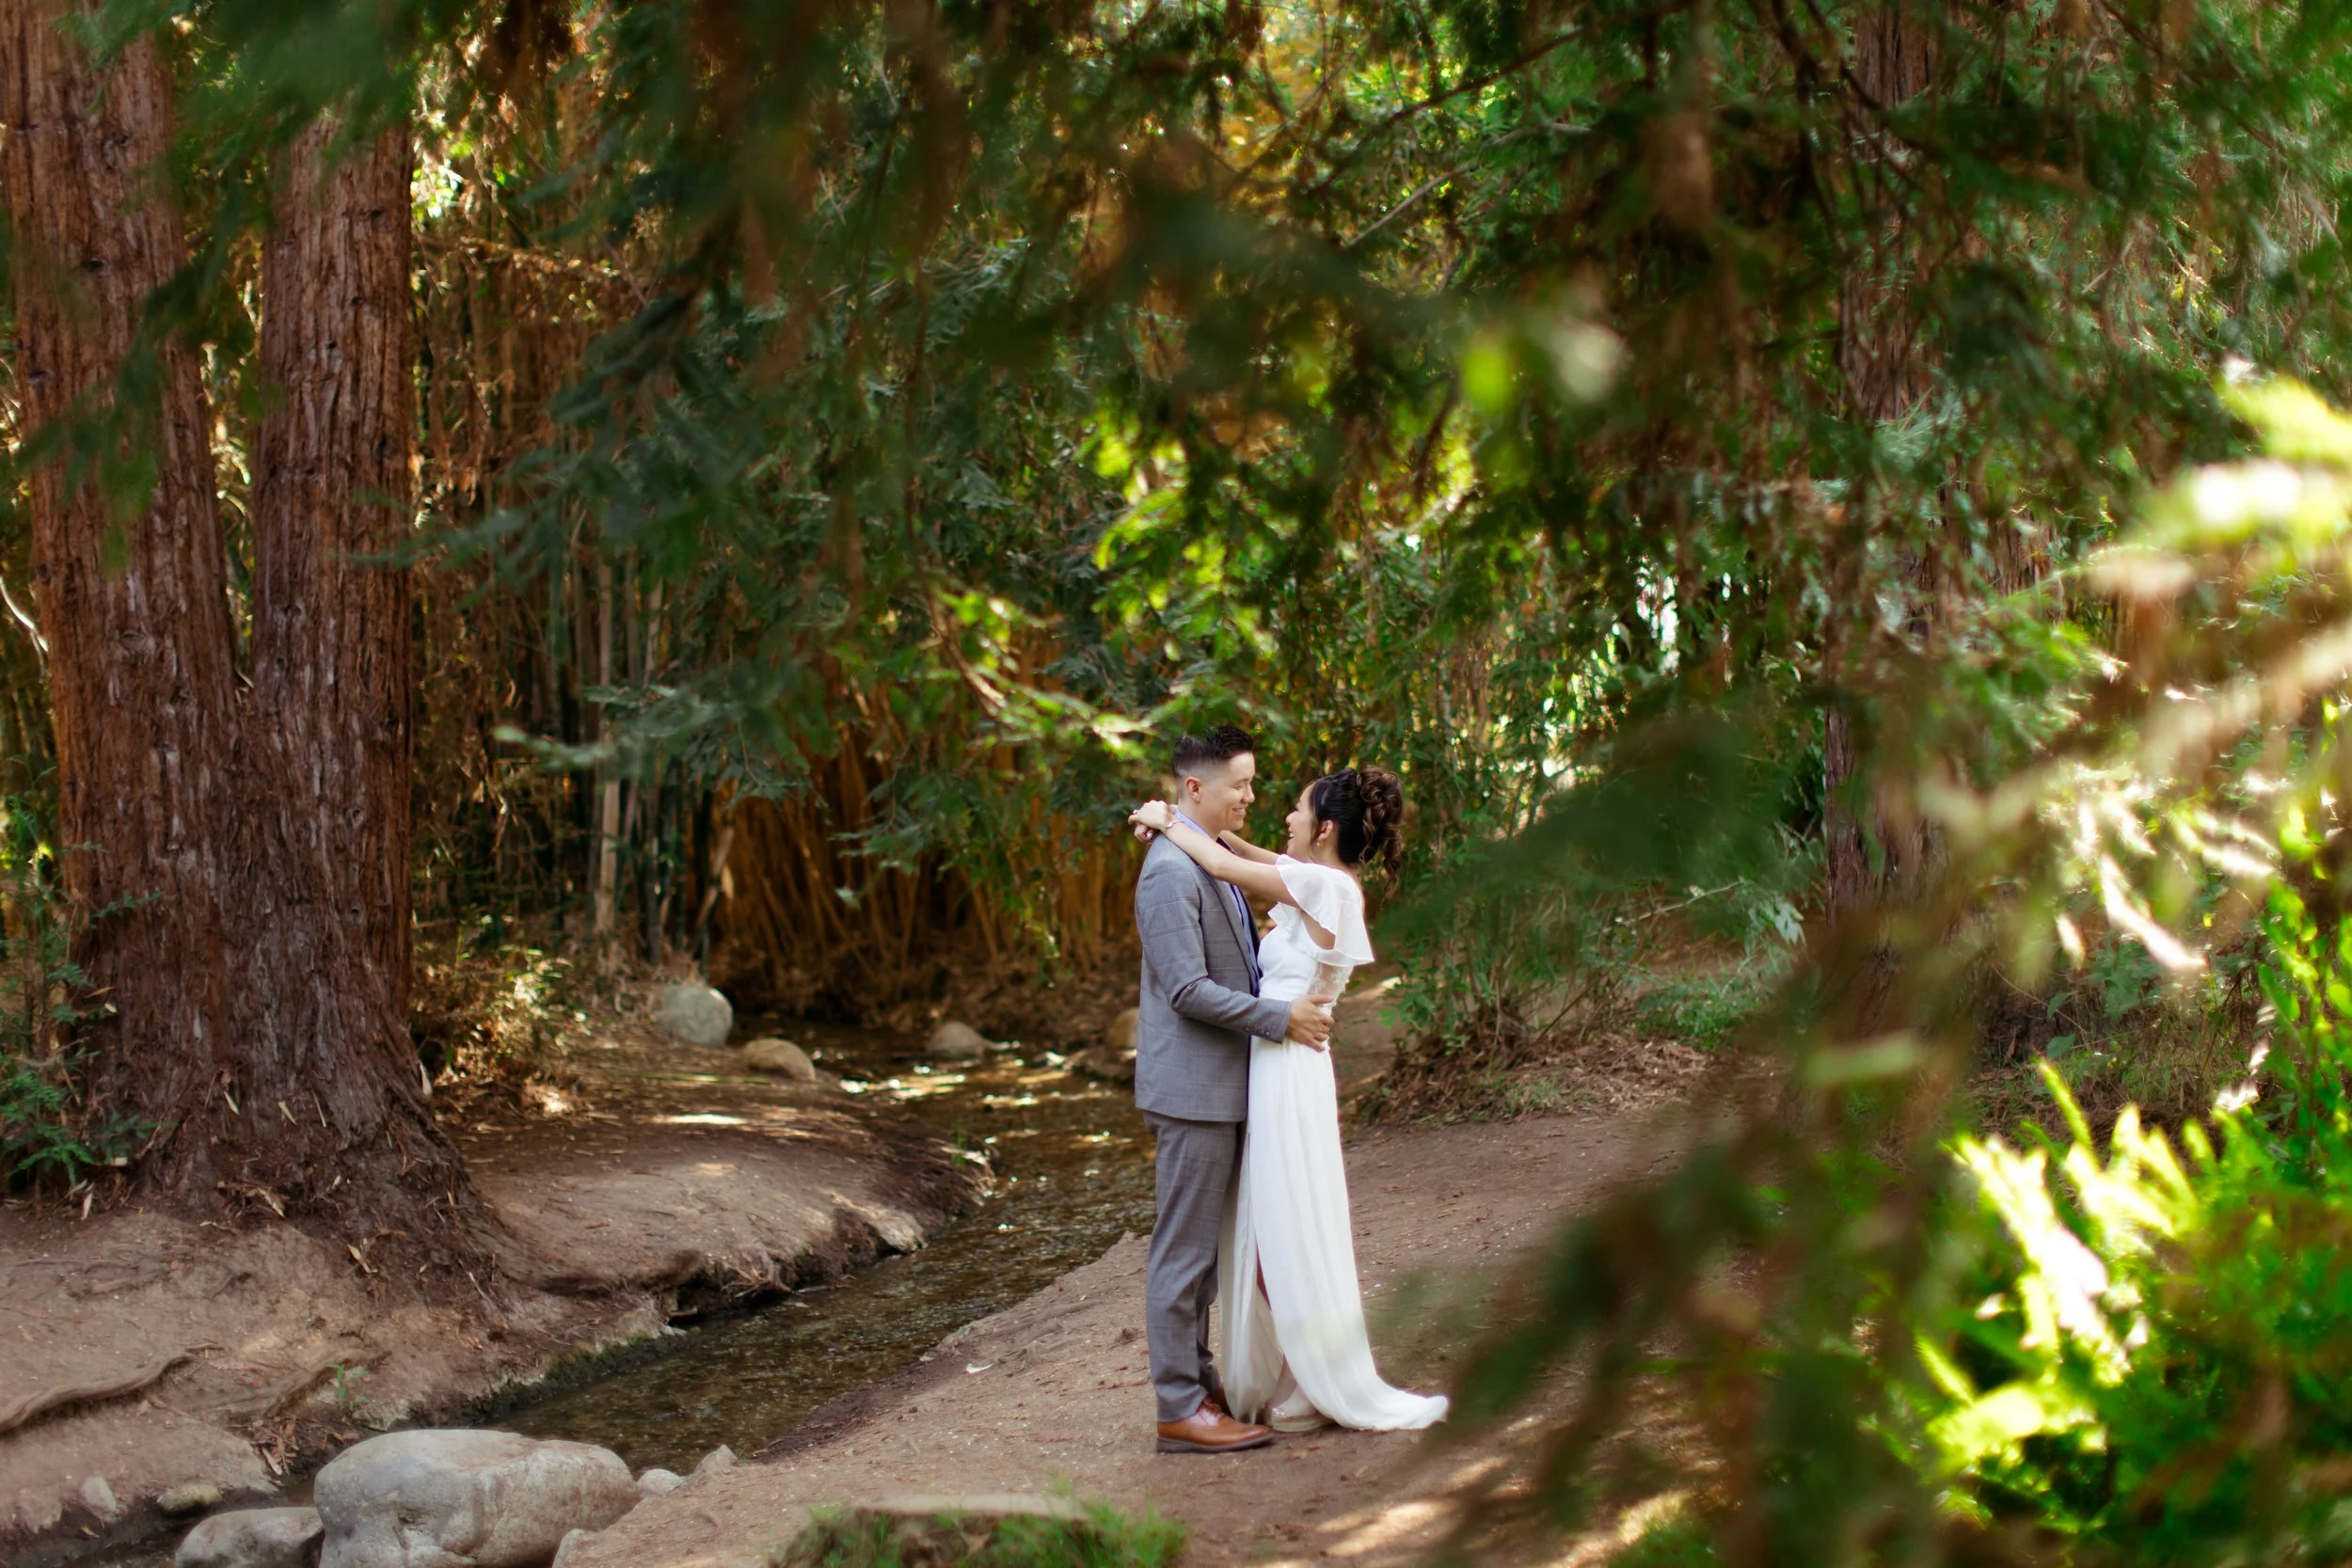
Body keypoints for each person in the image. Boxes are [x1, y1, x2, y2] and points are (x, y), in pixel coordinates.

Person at [1129, 765, 1449, 1434]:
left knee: (1286, 1227)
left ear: (1326, 827)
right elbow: (1247, 854)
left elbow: (1219, 857)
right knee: (1277, 1225)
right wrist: (1185, 823)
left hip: (1286, 1068)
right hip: (1279, 1067)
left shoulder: (1323, 883)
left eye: (1298, 811)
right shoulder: (1323, 881)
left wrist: (1165, 821)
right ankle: (1297, 1369)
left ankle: (1310, 1374)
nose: (1285, 819)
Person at [1132, 724, 1335, 1455]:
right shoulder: (1168, 871)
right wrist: (1280, 1018)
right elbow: (1187, 989)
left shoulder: (1206, 860)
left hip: (1224, 1086)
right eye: (1239, 784)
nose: (1251, 795)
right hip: (1193, 1089)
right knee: (1182, 1253)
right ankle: (1177, 1408)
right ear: (1195, 788)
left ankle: (1200, 1381)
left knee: (1210, 1256)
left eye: (1252, 783)